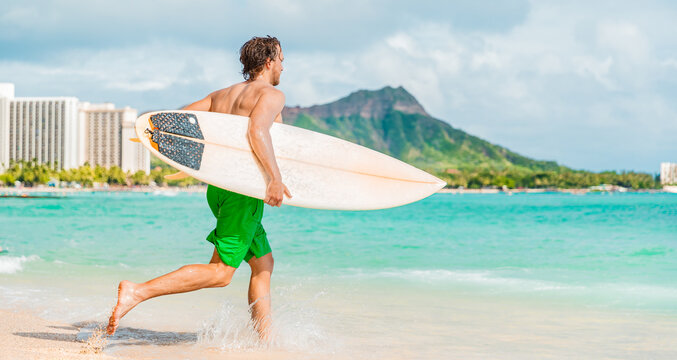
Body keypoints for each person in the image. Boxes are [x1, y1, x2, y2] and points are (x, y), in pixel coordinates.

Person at [107, 36, 292, 340]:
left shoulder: (220, 96)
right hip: (242, 192)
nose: (284, 66)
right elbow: (257, 130)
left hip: (219, 189)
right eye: (282, 59)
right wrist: (274, 178)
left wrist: (152, 137)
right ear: (269, 61)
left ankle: (264, 343)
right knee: (221, 273)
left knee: (263, 263)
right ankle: (137, 292)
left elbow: (176, 122)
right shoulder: (272, 95)